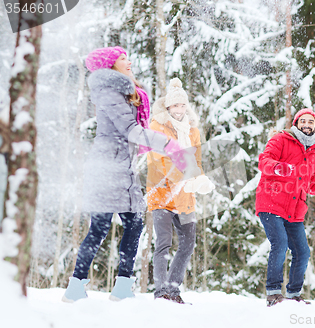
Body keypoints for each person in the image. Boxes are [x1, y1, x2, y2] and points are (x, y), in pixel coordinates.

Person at [62, 47, 194, 303]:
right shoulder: (110, 92)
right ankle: (84, 286)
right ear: (110, 66)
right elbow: (131, 130)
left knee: (128, 224)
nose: (128, 61)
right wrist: (169, 146)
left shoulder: (125, 92)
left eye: (127, 57)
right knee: (107, 227)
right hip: (108, 167)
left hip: (121, 167)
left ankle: (114, 286)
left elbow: (136, 133)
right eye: (122, 58)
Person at [255, 108, 315, 307]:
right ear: (296, 124)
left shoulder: (314, 156)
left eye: (310, 122)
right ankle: (274, 292)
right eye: (303, 121)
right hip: (271, 202)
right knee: (280, 243)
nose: (306, 125)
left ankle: (293, 294)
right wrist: (279, 167)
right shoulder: (281, 140)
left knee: (302, 252)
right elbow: (264, 161)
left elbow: (313, 186)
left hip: (294, 211)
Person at [147, 78, 214, 304]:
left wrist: (200, 180)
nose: (179, 109)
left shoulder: (192, 131)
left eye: (183, 105)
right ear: (167, 107)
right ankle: (160, 292)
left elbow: (196, 160)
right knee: (164, 242)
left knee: (187, 243)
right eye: (175, 106)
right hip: (163, 195)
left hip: (185, 199)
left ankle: (173, 290)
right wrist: (184, 180)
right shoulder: (157, 127)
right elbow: (160, 161)